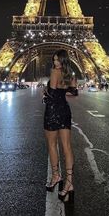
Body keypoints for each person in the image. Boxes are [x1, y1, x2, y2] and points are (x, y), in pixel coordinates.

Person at [43, 49, 76, 203]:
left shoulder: (54, 72)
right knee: (67, 147)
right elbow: (73, 93)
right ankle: (69, 183)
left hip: (52, 111)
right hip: (65, 111)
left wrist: (45, 92)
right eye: (54, 60)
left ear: (62, 60)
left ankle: (56, 175)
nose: (55, 63)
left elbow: (52, 94)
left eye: (57, 60)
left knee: (51, 144)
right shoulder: (71, 75)